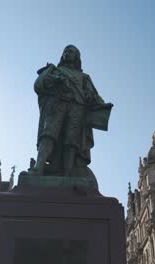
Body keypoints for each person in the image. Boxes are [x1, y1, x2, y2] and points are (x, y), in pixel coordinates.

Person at [30, 45, 111, 177]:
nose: (67, 53)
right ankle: (38, 167)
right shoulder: (54, 70)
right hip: (58, 103)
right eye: (65, 51)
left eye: (71, 52)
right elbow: (39, 84)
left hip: (77, 107)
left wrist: (92, 98)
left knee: (72, 141)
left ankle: (67, 173)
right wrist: (54, 80)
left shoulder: (83, 77)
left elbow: (93, 95)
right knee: (49, 134)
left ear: (76, 57)